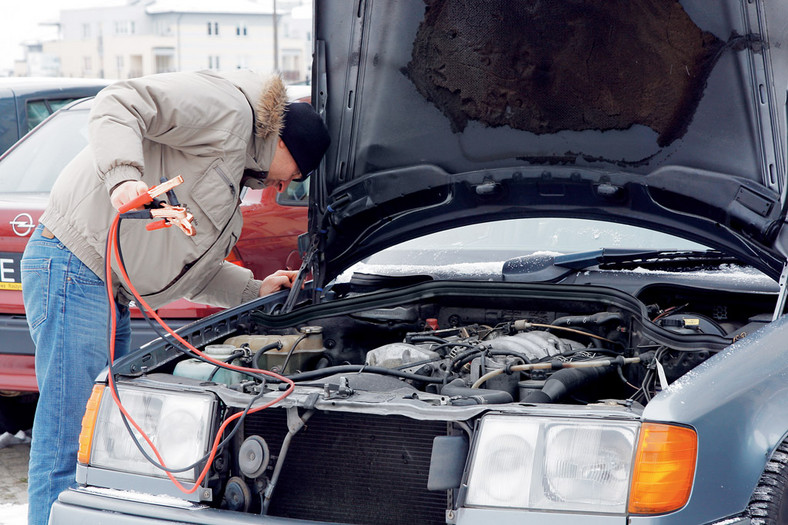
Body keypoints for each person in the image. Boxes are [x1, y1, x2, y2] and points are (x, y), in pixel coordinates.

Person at [20, 69, 330, 525]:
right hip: (74, 265)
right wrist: (124, 179)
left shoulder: (231, 191)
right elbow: (120, 100)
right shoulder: (227, 110)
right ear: (285, 144)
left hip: (107, 290)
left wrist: (253, 290)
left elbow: (192, 272)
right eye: (295, 176)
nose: (283, 188)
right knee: (67, 439)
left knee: (94, 444)